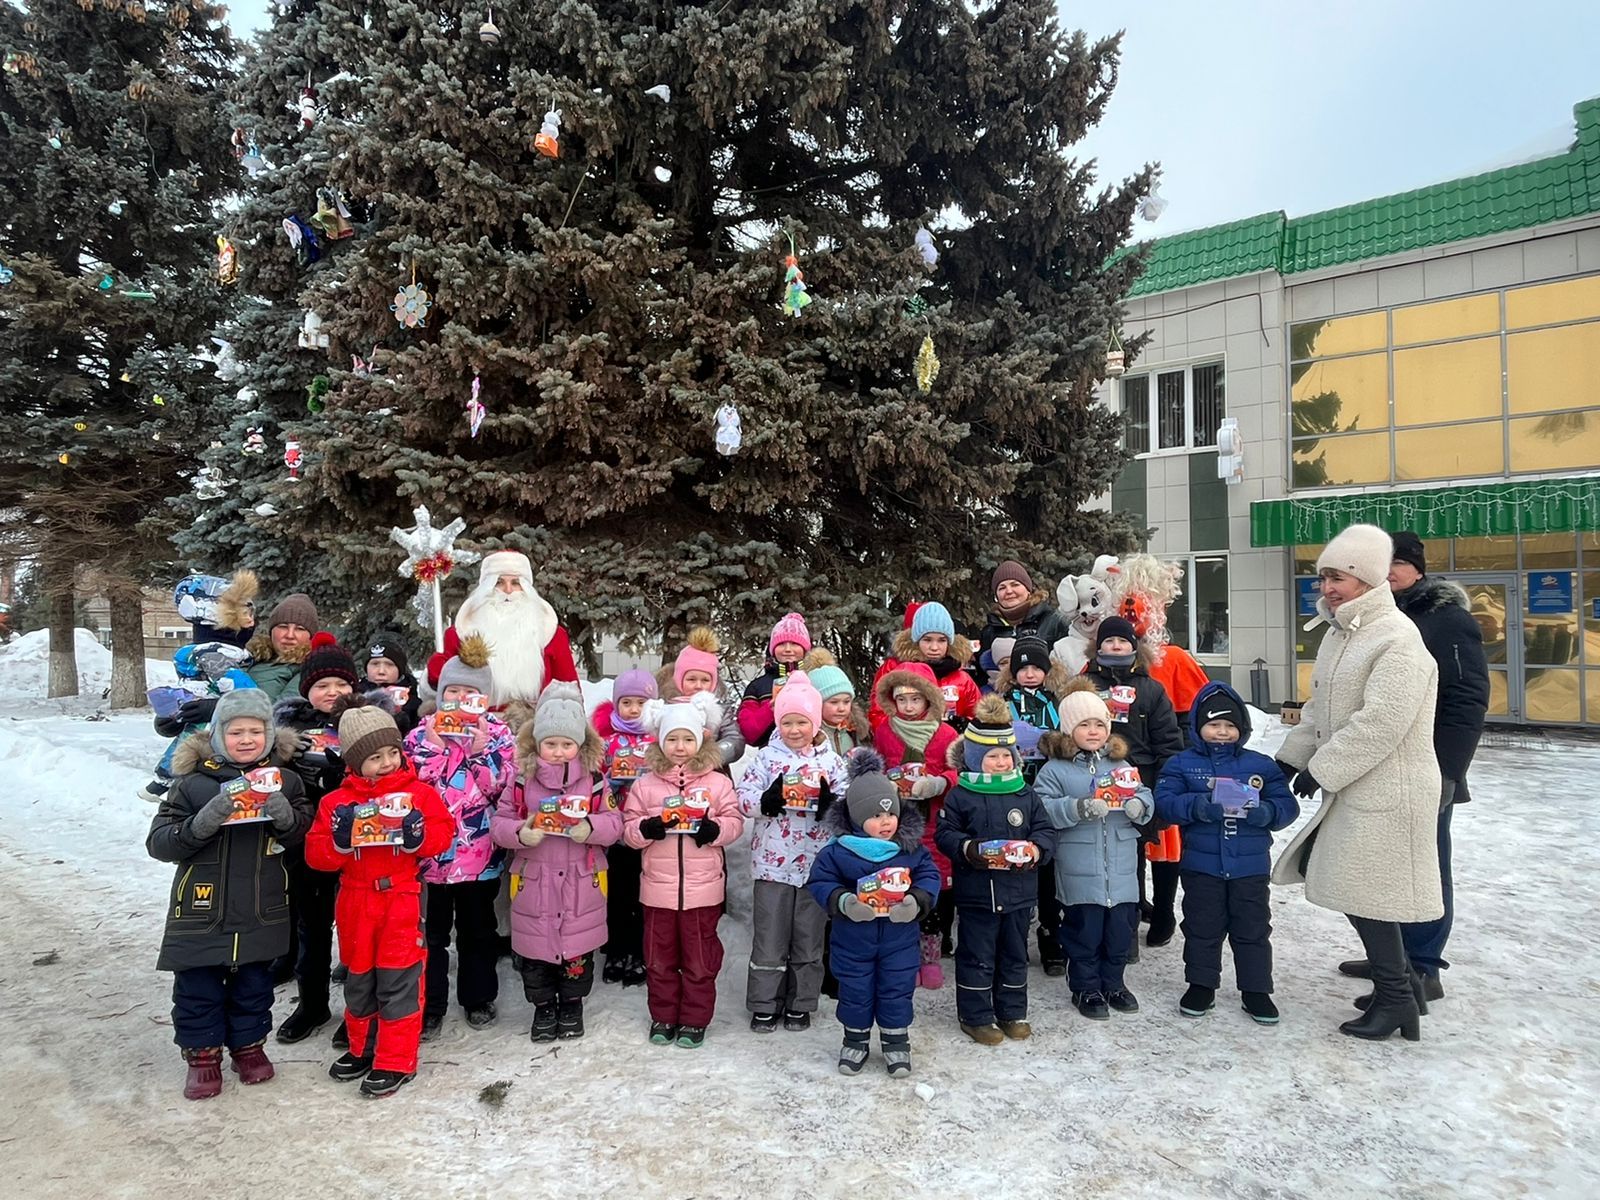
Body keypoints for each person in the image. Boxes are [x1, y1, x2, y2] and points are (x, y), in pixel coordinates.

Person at [1271, 524, 1444, 1043]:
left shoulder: (1397, 639)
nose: (1327, 587)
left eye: (1338, 578)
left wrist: (1322, 769)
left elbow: (1381, 723)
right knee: (1362, 891)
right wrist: (1288, 761)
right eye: (1323, 577)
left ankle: (1396, 998)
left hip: (1390, 790)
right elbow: (1320, 711)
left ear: (1369, 579)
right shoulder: (1341, 634)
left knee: (1366, 893)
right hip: (1359, 787)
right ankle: (1405, 988)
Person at [1335, 532, 1489, 1002]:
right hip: (1375, 767)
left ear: (1416, 570)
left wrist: (1447, 771)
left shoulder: (1446, 621)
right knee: (1378, 865)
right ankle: (1393, 957)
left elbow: (1466, 698)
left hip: (1426, 769)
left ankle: (1423, 966)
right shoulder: (1367, 621)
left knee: (1423, 866)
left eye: (1396, 564)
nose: (1388, 572)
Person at [147, 688, 313, 1099]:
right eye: (236, 731)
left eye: (255, 731)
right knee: (197, 985)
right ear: (219, 735)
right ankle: (202, 1057)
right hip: (202, 909)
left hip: (261, 907)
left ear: (270, 735)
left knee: (254, 986)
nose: (246, 739)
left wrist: (283, 812)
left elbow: (301, 835)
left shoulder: (286, 781)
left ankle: (248, 1047)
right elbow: (160, 843)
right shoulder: (192, 785)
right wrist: (204, 821)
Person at [304, 697, 453, 1096]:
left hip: (401, 897)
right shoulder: (337, 803)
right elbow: (316, 856)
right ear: (354, 763)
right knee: (359, 980)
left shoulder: (418, 794)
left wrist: (417, 836)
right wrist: (337, 842)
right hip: (354, 901)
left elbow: (443, 833)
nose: (386, 763)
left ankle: (395, 1059)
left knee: (399, 979)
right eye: (374, 757)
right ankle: (362, 1048)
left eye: (392, 752)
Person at [1154, 682, 1298, 1024]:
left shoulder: (1260, 765)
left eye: (1230, 725)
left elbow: (1286, 804)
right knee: (1203, 927)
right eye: (1214, 725)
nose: (1222, 732)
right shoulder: (1183, 764)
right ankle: (1201, 984)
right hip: (1202, 866)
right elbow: (1165, 802)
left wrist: (1268, 813)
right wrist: (1199, 806)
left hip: (1249, 868)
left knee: (1253, 930)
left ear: (1242, 729)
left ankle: (1256, 990)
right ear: (1198, 727)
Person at [492, 683, 621, 1042]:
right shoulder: (520, 782)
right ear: (537, 744)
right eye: (552, 744)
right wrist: (521, 833)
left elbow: (615, 824)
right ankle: (544, 1008)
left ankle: (572, 1006)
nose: (560, 752)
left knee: (577, 957)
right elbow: (498, 824)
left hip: (582, 882)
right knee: (536, 958)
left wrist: (589, 828)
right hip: (535, 882)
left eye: (567, 744)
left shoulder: (595, 783)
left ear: (580, 744)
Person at [404, 634, 517, 1038]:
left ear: (483, 698)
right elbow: (412, 786)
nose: (461, 699)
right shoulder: (421, 733)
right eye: (454, 691)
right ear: (442, 693)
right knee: (431, 936)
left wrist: (479, 752)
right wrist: (435, 749)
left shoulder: (500, 734)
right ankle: (430, 1004)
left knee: (477, 931)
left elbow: (501, 788)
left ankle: (478, 997)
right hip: (430, 857)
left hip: (479, 854)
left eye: (471, 693)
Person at [806, 750, 941, 1076]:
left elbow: (930, 876)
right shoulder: (838, 852)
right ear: (855, 818)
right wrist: (845, 903)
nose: (886, 822)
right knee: (855, 990)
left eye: (890, 814)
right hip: (853, 938)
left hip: (899, 938)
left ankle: (897, 1045)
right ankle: (855, 1041)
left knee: (896, 989)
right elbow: (820, 881)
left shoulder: (910, 849)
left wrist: (916, 902)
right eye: (876, 816)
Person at [621, 692, 745, 1048]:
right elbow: (628, 830)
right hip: (657, 890)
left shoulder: (718, 783)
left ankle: (694, 1019)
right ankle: (663, 1016)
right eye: (672, 739)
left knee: (700, 960)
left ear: (701, 739)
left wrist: (715, 831)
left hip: (703, 890)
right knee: (659, 960)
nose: (679, 746)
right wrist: (646, 829)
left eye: (687, 738)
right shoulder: (645, 785)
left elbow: (733, 822)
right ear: (661, 741)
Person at [934, 696, 1056, 1044]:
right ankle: (975, 1015)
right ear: (975, 759)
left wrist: (1036, 849)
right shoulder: (962, 795)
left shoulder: (1025, 794)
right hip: (977, 895)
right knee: (977, 955)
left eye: (1006, 755)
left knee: (1014, 954)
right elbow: (946, 834)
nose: (1001, 762)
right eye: (992, 757)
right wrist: (969, 849)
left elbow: (1045, 831)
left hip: (1018, 894)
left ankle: (1012, 1011)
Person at [735, 671, 849, 1032]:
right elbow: (742, 797)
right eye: (787, 722)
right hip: (772, 865)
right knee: (769, 939)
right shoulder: (767, 759)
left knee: (808, 939)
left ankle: (801, 1002)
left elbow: (848, 806)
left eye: (802, 722)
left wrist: (831, 804)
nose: (794, 729)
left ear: (814, 722)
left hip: (816, 867)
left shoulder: (831, 762)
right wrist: (766, 802)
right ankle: (764, 1003)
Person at [1035, 684, 1153, 1020]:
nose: (1093, 731)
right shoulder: (1055, 770)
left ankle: (1114, 983)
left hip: (1120, 866)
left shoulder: (1120, 762)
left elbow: (1144, 794)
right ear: (1069, 729)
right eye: (1084, 725)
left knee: (1119, 933)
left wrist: (1137, 806)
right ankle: (1085, 987)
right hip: (1079, 869)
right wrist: (1078, 808)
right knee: (1083, 934)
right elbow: (1042, 809)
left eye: (1099, 725)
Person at [273, 632, 361, 1044]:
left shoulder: (367, 720)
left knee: (357, 929)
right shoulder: (289, 728)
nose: (332, 692)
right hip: (308, 842)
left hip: (362, 843)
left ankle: (358, 1010)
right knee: (312, 926)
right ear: (308, 689)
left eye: (341, 684)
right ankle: (312, 1003)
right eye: (323, 685)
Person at [1083, 615, 1186, 949]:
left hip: (1140, 784)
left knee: (1141, 853)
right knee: (1109, 859)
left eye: (1122, 641)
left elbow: (1168, 742)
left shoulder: (1151, 689)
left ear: (1134, 646)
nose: (1115, 646)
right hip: (1095, 781)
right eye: (1109, 641)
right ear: (1098, 646)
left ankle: (1145, 921)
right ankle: (1112, 925)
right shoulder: (1084, 685)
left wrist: (1163, 787)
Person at [870, 661, 960, 988]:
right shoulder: (884, 731)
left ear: (928, 700)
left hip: (936, 822)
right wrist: (885, 785)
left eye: (915, 699)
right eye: (901, 699)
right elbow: (875, 769)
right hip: (896, 824)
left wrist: (938, 784)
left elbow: (959, 772)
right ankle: (903, 956)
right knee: (898, 888)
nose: (908, 706)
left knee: (933, 892)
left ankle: (931, 956)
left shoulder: (946, 734)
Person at [426, 550, 579, 718]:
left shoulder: (551, 632)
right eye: (499, 582)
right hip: (475, 722)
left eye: (515, 583)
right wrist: (437, 671)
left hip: (535, 727)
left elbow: (569, 688)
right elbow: (446, 685)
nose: (508, 590)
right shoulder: (461, 632)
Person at [996, 635, 1069, 975]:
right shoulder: (1002, 701)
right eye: (1022, 668)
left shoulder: (1052, 701)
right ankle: (1014, 941)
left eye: (1035, 668)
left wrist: (1047, 741)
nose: (1028, 674)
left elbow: (1066, 736)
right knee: (1015, 863)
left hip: (1047, 788)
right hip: (1012, 789)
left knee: (1047, 867)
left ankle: (1051, 936)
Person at [593, 667, 658, 986]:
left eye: (641, 703)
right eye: (627, 702)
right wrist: (610, 781)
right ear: (616, 704)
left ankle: (640, 952)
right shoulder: (607, 740)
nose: (634, 710)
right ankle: (617, 949)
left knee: (643, 894)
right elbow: (592, 781)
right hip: (616, 832)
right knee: (618, 895)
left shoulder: (659, 738)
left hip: (648, 830)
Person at [868, 602, 981, 730]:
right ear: (916, 640)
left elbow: (979, 716)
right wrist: (898, 735)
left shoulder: (963, 679)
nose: (934, 647)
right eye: (927, 640)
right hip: (904, 746)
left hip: (950, 746)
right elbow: (878, 712)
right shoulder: (894, 669)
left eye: (941, 640)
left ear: (950, 642)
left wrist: (964, 726)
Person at [652, 626, 746, 769]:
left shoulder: (721, 709)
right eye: (691, 680)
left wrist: (710, 756)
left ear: (713, 683)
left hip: (711, 774)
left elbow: (735, 740)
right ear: (679, 680)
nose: (698, 685)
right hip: (670, 771)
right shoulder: (665, 706)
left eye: (705, 680)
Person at [975, 560, 1071, 671]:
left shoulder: (1054, 621)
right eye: (1002, 588)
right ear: (996, 595)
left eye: (1015, 585)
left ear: (1028, 590)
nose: (1009, 591)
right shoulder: (990, 632)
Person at [736, 612, 813, 749]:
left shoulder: (817, 679)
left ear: (805, 649)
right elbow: (748, 734)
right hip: (771, 761)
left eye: (794, 644)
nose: (788, 649)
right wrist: (770, 709)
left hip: (814, 760)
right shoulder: (758, 686)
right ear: (772, 649)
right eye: (782, 644)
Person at [245, 587, 320, 701]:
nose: (290, 635)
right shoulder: (248, 657)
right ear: (271, 631)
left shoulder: (310, 668)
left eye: (299, 629)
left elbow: (284, 710)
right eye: (283, 627)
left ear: (311, 636)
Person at [802, 649, 872, 757]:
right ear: (817, 703)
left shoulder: (855, 731)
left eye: (846, 702)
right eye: (834, 702)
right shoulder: (809, 736)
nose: (841, 708)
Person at [363, 631, 421, 734]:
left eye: (389, 665)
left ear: (400, 670)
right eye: (375, 664)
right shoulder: (355, 698)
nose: (381, 671)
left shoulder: (415, 704)